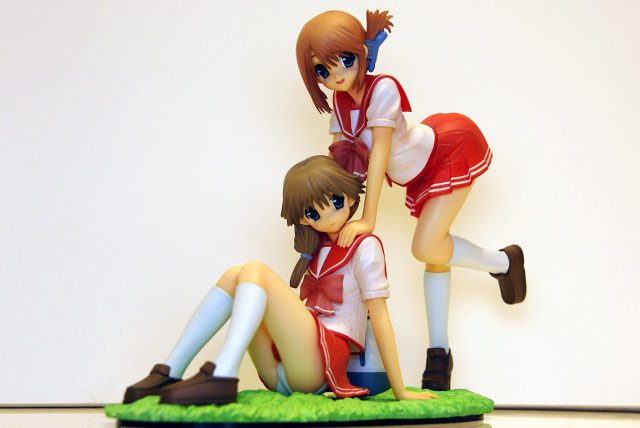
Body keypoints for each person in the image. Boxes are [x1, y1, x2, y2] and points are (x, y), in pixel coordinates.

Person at [296, 10, 526, 391]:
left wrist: (366, 219)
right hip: (416, 176)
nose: (336, 75)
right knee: (436, 252)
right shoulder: (339, 104)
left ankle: (503, 262)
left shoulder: (382, 89)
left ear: (359, 52)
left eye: (345, 60)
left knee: (426, 247)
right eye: (322, 69)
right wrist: (326, 216)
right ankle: (439, 354)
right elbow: (340, 165)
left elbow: (379, 155)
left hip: (447, 150)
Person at [123, 156, 437, 405]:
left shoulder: (365, 247)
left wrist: (400, 389)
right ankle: (170, 371)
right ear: (302, 218)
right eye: (314, 213)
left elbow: (379, 316)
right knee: (235, 275)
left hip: (319, 367)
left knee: (255, 270)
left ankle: (224, 373)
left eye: (336, 202)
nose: (329, 216)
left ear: (350, 195)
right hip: (280, 369)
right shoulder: (317, 250)